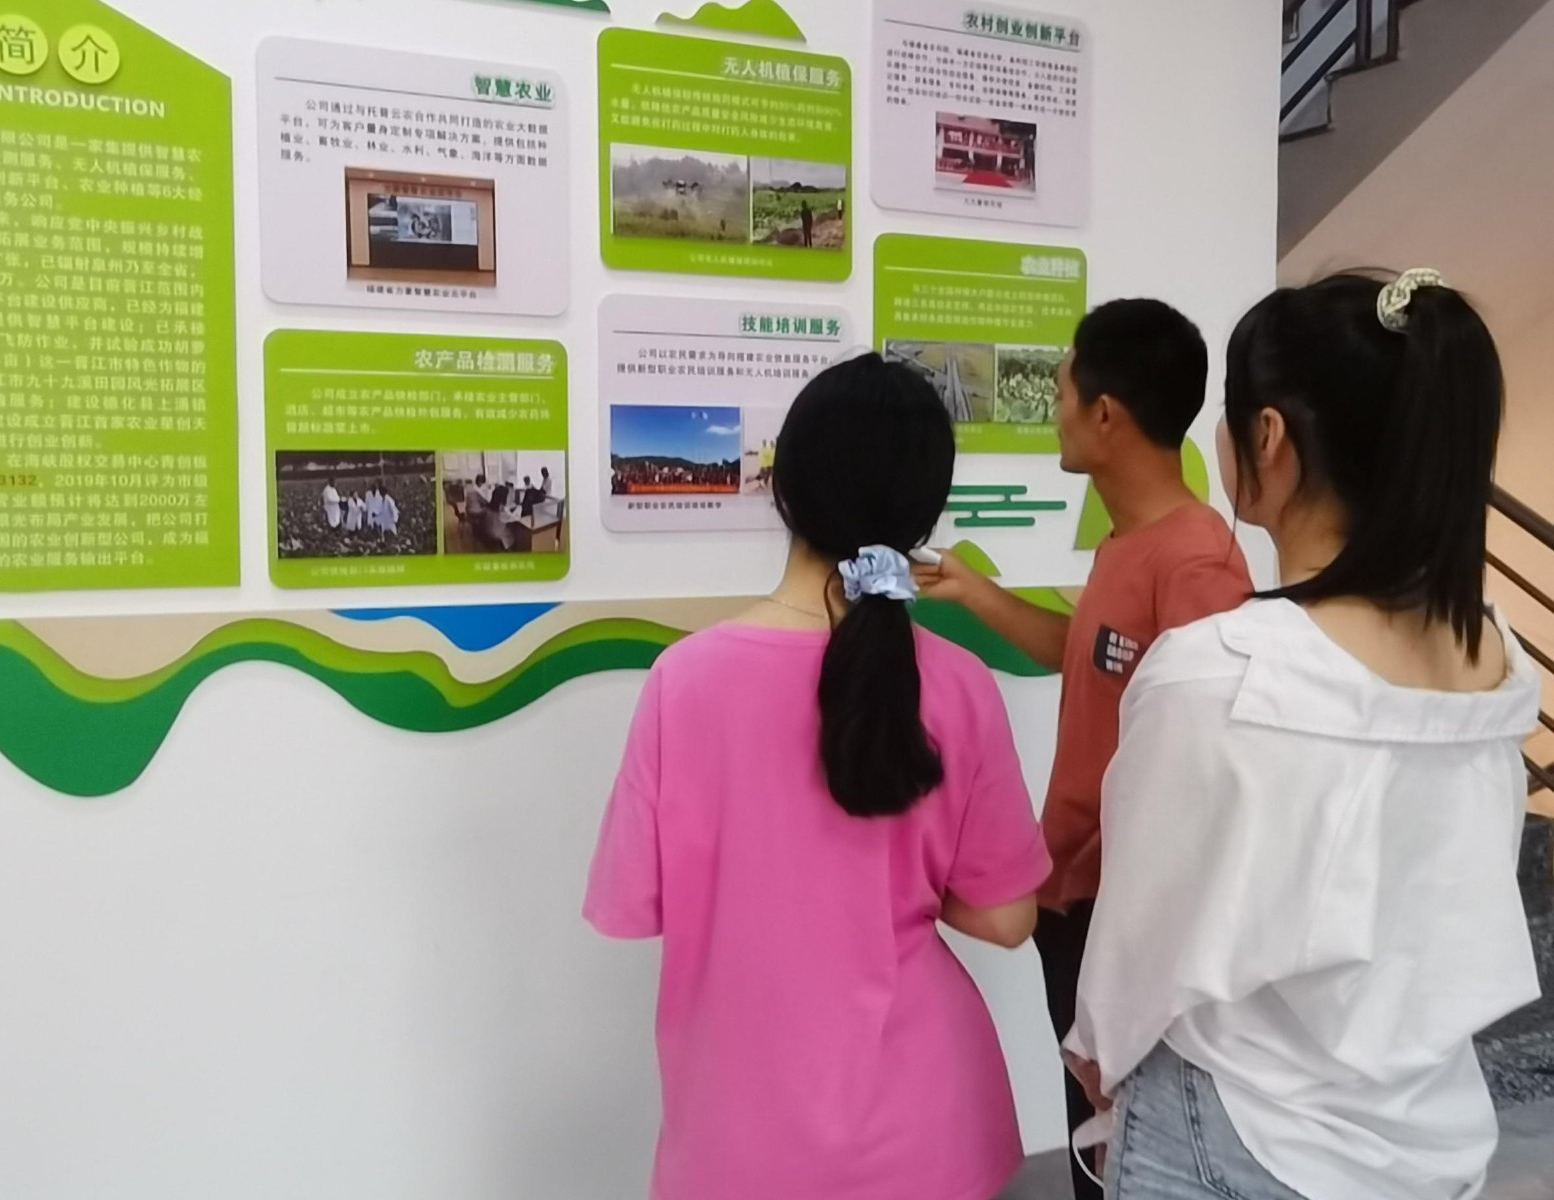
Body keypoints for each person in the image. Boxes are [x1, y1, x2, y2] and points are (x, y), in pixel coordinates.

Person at [1064, 271, 1542, 1200]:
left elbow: (1142, 928)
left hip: (1240, 1126)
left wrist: (1097, 1047)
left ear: (1269, 439)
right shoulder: (1494, 652)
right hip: (1427, 1132)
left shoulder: (1220, 670)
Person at [585, 352, 1053, 1200]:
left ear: (783, 489)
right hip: (929, 1132)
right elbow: (1007, 917)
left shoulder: (684, 682)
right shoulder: (957, 683)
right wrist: (908, 881)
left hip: (735, 1142)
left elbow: (635, 904)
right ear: (923, 515)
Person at [914, 299, 1253, 1200]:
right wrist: (974, 593)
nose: (1055, 411)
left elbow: (1206, 764)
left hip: (1124, 911)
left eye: (1063, 391)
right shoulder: (1128, 545)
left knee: (1125, 1145)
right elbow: (1092, 659)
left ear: (1105, 414)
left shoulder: (1198, 565)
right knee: (1091, 1139)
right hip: (1072, 896)